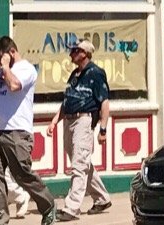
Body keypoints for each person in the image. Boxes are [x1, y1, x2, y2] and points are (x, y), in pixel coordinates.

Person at [0, 36, 56, 225]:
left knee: (22, 173)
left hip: (17, 131)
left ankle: (47, 205)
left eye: (1, 57)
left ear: (12, 53)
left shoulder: (26, 69)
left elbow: (14, 86)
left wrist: (6, 68)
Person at [50, 40, 112, 216]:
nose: (71, 54)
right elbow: (67, 100)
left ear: (84, 53)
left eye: (75, 51)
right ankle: (102, 198)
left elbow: (104, 102)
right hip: (69, 120)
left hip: (84, 120)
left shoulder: (96, 73)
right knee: (82, 161)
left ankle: (72, 207)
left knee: (79, 163)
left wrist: (103, 129)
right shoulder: (74, 75)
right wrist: (55, 121)